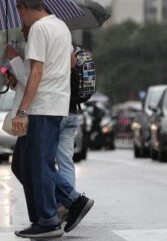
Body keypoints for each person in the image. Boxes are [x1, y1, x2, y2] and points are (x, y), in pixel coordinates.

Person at [9, 0, 73, 239]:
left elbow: (36, 71)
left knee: (39, 164)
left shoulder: (38, 28)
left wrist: (22, 111)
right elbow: (69, 62)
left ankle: (48, 218)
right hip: (53, 103)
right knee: (25, 163)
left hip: (42, 105)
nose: (19, 18)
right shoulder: (61, 26)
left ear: (24, 8)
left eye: (19, 11)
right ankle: (58, 207)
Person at [54, 48, 94, 232]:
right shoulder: (74, 49)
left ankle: (70, 201)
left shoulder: (53, 46)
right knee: (66, 161)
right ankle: (66, 206)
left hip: (55, 111)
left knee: (43, 162)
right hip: (72, 112)